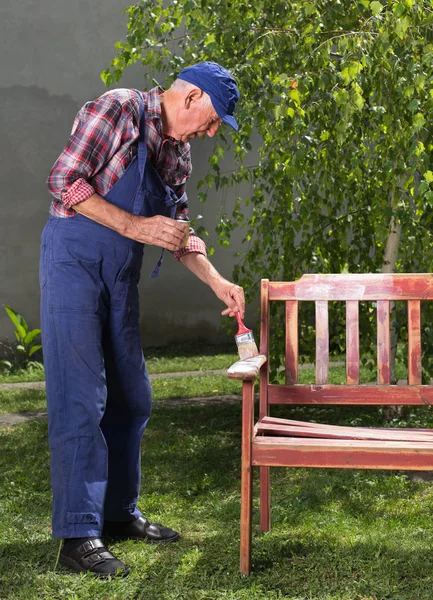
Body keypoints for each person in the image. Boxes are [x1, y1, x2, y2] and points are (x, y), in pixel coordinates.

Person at [40, 61, 245, 577]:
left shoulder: (178, 152)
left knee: (133, 397)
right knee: (81, 399)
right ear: (192, 97)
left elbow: (174, 230)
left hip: (120, 276)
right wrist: (136, 225)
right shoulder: (118, 109)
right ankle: (78, 536)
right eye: (216, 118)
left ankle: (117, 515)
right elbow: (64, 180)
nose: (213, 130)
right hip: (74, 264)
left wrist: (216, 279)